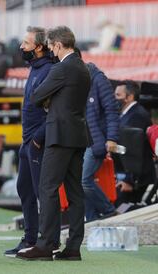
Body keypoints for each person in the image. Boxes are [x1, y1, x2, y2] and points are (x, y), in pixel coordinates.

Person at [17, 26, 91, 261]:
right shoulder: (83, 67)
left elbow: (36, 96)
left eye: (51, 47)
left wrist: (49, 100)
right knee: (75, 192)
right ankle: (73, 247)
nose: (51, 51)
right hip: (78, 135)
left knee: (47, 188)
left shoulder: (61, 68)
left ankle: (46, 244)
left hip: (59, 135)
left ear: (58, 45)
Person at [4, 26, 53, 257]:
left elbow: (55, 111)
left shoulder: (49, 71)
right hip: (28, 142)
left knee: (41, 192)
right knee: (24, 188)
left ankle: (45, 240)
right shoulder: (34, 69)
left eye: (26, 43)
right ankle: (30, 238)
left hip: (38, 142)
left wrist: (38, 138)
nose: (21, 47)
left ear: (40, 47)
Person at [75, 48, 119, 222]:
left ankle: (109, 210)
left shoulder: (98, 79)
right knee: (80, 182)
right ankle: (92, 218)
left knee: (84, 180)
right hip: (80, 141)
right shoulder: (73, 81)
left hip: (96, 141)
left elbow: (111, 111)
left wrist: (111, 138)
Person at [114, 80, 156, 206]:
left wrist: (129, 180)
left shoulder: (137, 116)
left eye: (118, 95)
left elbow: (135, 151)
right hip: (127, 175)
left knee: (122, 210)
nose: (114, 99)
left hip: (134, 179)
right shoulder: (127, 114)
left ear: (130, 96)